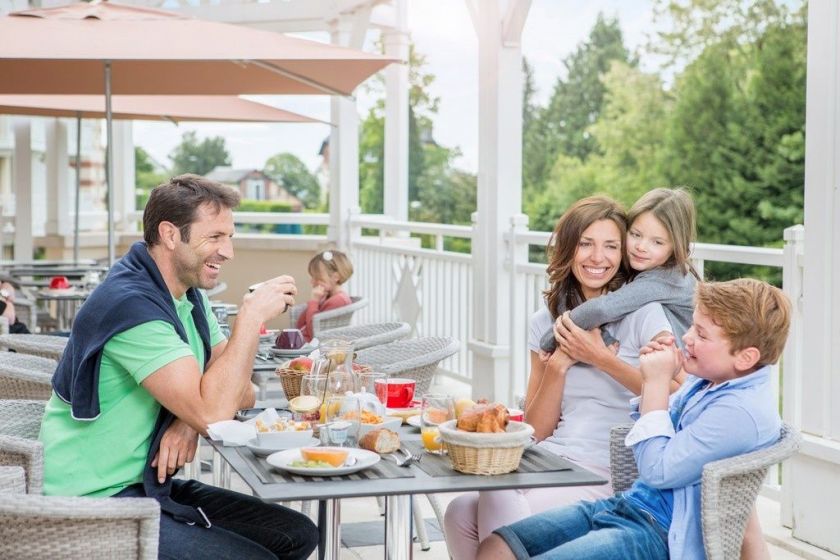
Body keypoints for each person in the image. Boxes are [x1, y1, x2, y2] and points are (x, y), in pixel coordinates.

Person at [38, 174, 319, 560]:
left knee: (295, 534)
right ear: (171, 234)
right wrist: (250, 318)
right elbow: (216, 410)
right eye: (215, 237)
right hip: (95, 500)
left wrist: (186, 419)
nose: (228, 251)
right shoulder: (132, 306)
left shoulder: (186, 295)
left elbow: (242, 393)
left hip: (148, 486)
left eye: (230, 237)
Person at [478, 278, 790, 560]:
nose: (687, 338)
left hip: (661, 532)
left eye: (701, 334)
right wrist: (658, 374)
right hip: (630, 507)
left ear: (745, 356)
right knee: (497, 545)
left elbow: (655, 469)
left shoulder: (739, 412)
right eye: (692, 326)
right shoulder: (712, 379)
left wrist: (655, 383)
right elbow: (659, 425)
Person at [443, 196, 675, 559]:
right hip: (555, 457)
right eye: (586, 243)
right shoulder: (545, 323)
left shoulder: (644, 313)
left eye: (611, 246)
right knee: (459, 510)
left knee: (497, 499)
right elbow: (536, 428)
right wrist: (559, 366)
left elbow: (677, 394)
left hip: (610, 469)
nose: (598, 257)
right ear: (568, 249)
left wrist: (600, 358)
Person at [541, 187, 699, 356]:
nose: (641, 247)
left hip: (687, 369)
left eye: (657, 242)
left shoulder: (669, 278)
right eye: (636, 234)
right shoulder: (640, 264)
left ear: (676, 248)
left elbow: (601, 309)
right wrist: (604, 336)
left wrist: (549, 340)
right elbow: (568, 290)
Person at [295, 248, 353, 341]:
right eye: (312, 277)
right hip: (302, 341)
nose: (312, 282)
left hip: (309, 348)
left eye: (318, 278)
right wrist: (316, 302)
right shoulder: (327, 296)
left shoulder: (338, 301)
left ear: (336, 277)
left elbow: (313, 332)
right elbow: (300, 325)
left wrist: (314, 301)